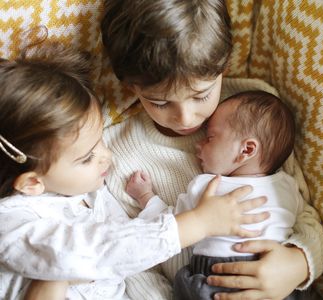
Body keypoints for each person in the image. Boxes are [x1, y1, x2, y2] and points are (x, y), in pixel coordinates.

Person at [0, 43, 268, 300]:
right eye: (87, 157)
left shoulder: (93, 194)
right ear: (33, 183)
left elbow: (136, 259)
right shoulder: (12, 222)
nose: (107, 156)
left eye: (100, 142)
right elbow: (93, 251)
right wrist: (195, 224)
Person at [101, 0, 323, 299]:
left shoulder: (258, 109)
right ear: (132, 87)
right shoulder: (114, 152)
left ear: (224, 66)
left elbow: (301, 210)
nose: (186, 118)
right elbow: (132, 264)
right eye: (159, 102)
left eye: (201, 95)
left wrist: (300, 263)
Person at [126, 90, 305, 299]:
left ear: (247, 150)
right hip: (276, 282)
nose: (198, 143)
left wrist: (145, 196)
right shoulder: (288, 186)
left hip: (217, 278)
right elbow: (304, 223)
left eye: (210, 137)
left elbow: (171, 226)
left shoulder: (208, 187)